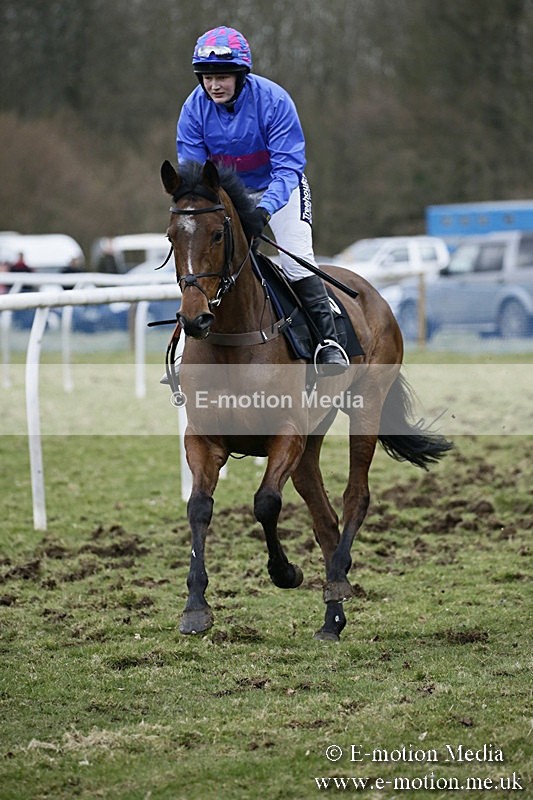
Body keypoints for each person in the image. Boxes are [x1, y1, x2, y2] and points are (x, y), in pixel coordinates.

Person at [176, 25, 349, 374]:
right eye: (207, 77)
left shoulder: (274, 101)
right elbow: (193, 175)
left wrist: (263, 210)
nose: (214, 85)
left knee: (297, 261)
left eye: (222, 77)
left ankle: (329, 343)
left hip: (280, 189)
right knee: (208, 264)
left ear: (241, 75)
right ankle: (188, 350)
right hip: (228, 196)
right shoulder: (193, 109)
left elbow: (288, 167)